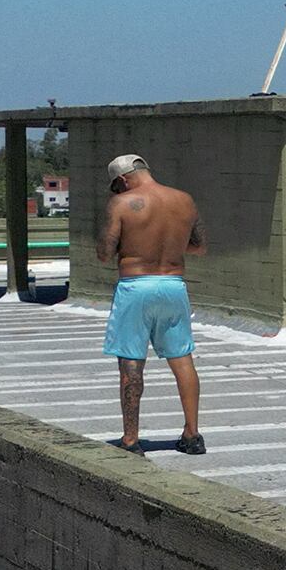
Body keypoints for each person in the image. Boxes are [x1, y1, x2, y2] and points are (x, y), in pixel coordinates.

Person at [95, 154, 206, 454]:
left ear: (122, 180)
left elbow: (105, 252)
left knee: (131, 363)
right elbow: (197, 246)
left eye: (116, 187)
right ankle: (192, 435)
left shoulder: (121, 203)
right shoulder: (184, 200)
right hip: (173, 285)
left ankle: (131, 439)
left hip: (136, 286)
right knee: (183, 358)